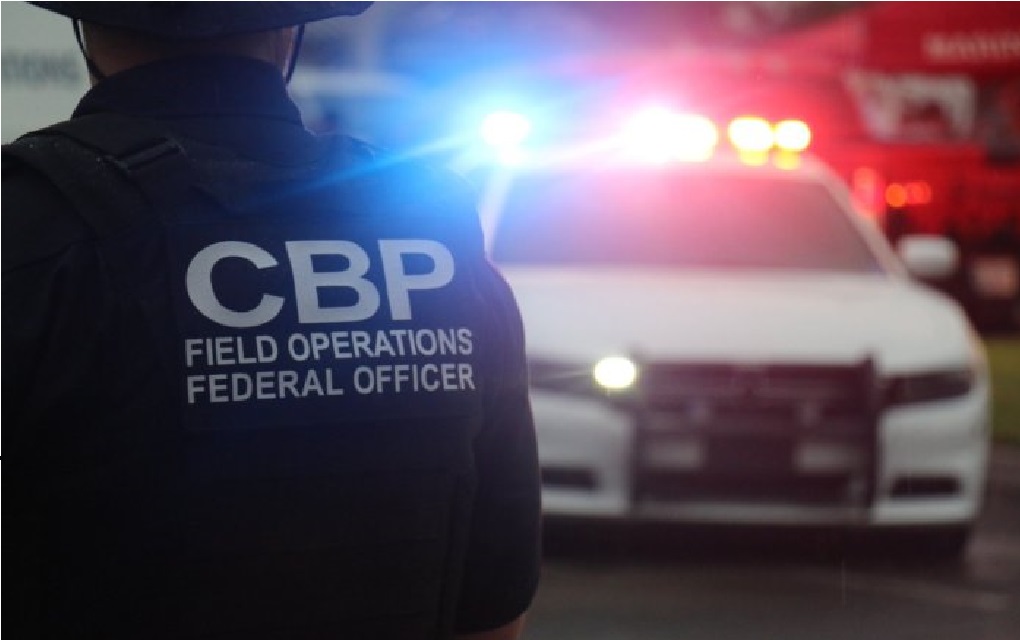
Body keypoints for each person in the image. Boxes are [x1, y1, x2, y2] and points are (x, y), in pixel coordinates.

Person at [2, 3, 541, 639]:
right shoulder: (430, 231)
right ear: (289, 29)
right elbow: (493, 611)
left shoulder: (29, 225)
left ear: (86, 29)